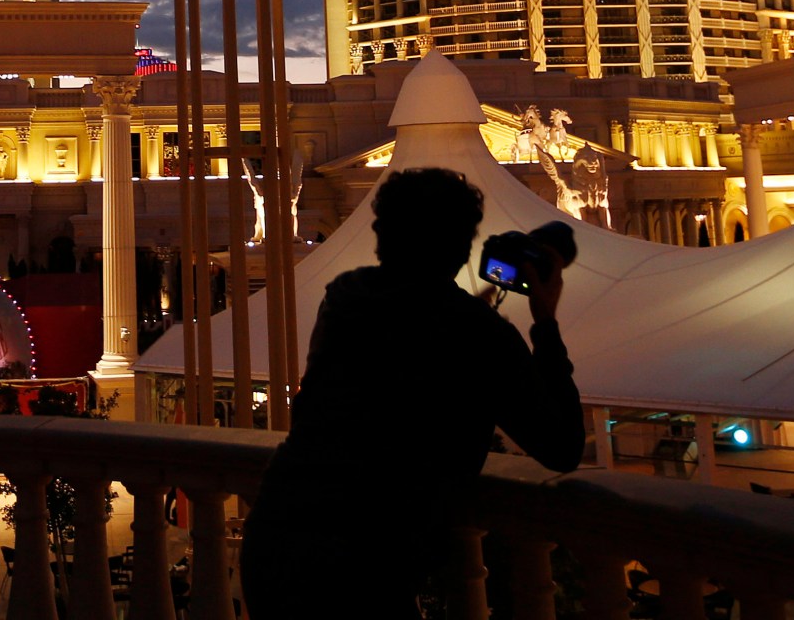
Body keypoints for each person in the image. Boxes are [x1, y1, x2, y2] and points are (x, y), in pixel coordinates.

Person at [238, 167, 583, 619]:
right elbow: (562, 446)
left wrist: (468, 314)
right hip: (367, 565)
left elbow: (403, 338)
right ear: (463, 246)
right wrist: (545, 323)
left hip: (277, 534)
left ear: (382, 236)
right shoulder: (477, 334)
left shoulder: (345, 297)